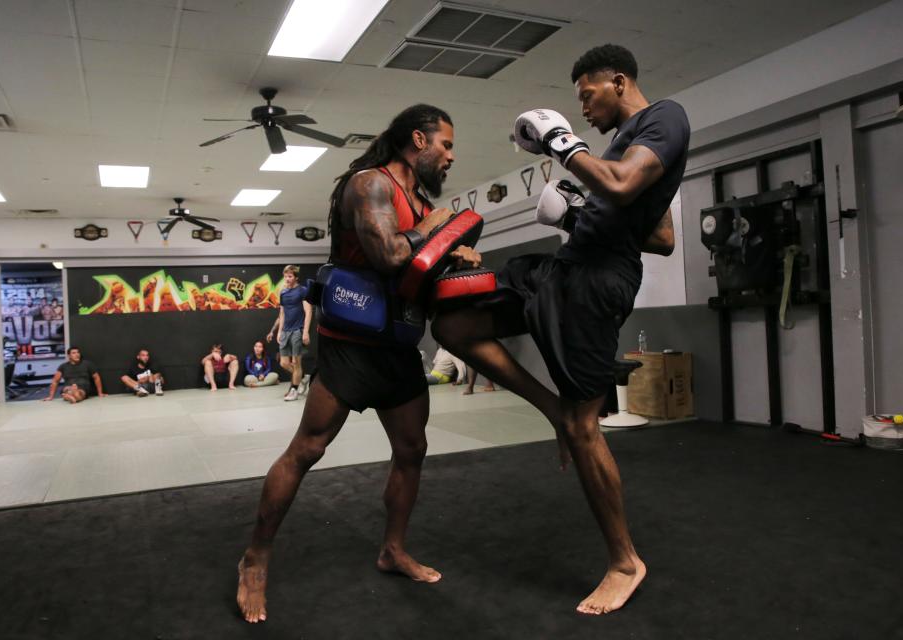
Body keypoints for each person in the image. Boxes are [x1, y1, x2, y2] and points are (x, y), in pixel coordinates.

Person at [431, 44, 689, 616]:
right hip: (564, 269)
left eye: (587, 95)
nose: (584, 109)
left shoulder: (664, 119)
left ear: (618, 82)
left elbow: (622, 186)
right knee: (452, 321)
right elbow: (662, 235)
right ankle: (551, 408)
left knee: (583, 425)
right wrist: (575, 216)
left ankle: (625, 562)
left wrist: (560, 142)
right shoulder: (627, 143)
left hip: (597, 283)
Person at [236, 103, 474, 624]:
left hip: (397, 344)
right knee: (308, 449)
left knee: (412, 448)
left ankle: (392, 549)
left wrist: (452, 251)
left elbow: (413, 270)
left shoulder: (414, 197)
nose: (451, 156)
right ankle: (255, 558)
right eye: (446, 145)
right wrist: (439, 227)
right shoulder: (370, 185)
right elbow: (389, 256)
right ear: (418, 139)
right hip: (350, 345)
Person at [266, 265, 313, 401]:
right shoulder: (283, 292)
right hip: (285, 331)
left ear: (296, 277)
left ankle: (294, 390)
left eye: (290, 276)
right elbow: (282, 313)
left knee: (296, 362)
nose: (287, 278)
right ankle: (303, 378)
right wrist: (277, 332)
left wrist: (305, 332)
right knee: (284, 363)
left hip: (297, 331)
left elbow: (308, 311)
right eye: (285, 276)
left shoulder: (302, 290)